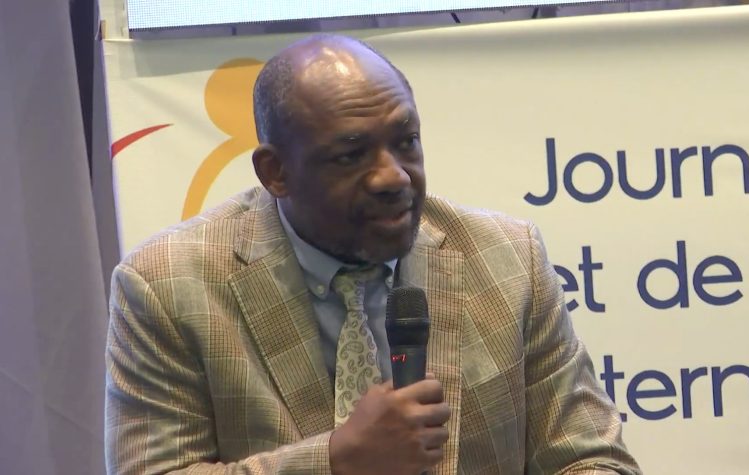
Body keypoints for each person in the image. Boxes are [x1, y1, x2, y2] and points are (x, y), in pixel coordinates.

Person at [105, 34, 641, 475]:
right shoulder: (168, 285)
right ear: (276, 173)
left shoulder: (507, 259)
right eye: (351, 155)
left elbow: (591, 459)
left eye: (406, 142)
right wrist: (336, 462)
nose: (393, 177)